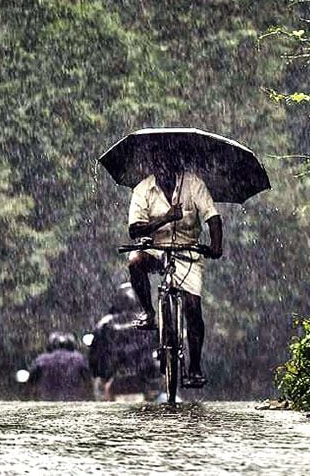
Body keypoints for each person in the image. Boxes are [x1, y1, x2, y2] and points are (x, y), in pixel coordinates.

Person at [127, 153, 222, 388]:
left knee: (192, 307)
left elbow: (213, 217)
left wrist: (216, 246)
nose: (164, 170)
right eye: (158, 165)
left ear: (177, 166)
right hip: (156, 248)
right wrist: (165, 219)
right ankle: (149, 313)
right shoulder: (143, 189)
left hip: (187, 251)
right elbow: (135, 230)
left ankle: (195, 367)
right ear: (153, 168)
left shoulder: (194, 184)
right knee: (135, 262)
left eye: (169, 165)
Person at [89, 282, 161, 401]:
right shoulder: (150, 322)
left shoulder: (104, 324)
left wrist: (100, 373)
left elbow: (95, 355)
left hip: (114, 378)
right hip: (144, 378)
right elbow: (160, 348)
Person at [25, 332, 93, 401]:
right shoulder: (79, 359)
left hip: (47, 400)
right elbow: (88, 381)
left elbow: (31, 382)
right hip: (73, 401)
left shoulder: (42, 360)